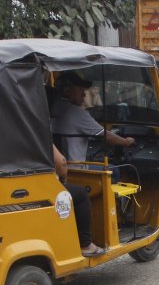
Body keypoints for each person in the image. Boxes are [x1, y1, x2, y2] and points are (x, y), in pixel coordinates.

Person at [51, 74, 137, 258]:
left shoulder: (53, 108)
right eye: (80, 90)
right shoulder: (76, 113)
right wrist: (126, 141)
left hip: (59, 169)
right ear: (67, 91)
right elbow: (106, 136)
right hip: (77, 169)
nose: (84, 95)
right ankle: (117, 218)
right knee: (115, 170)